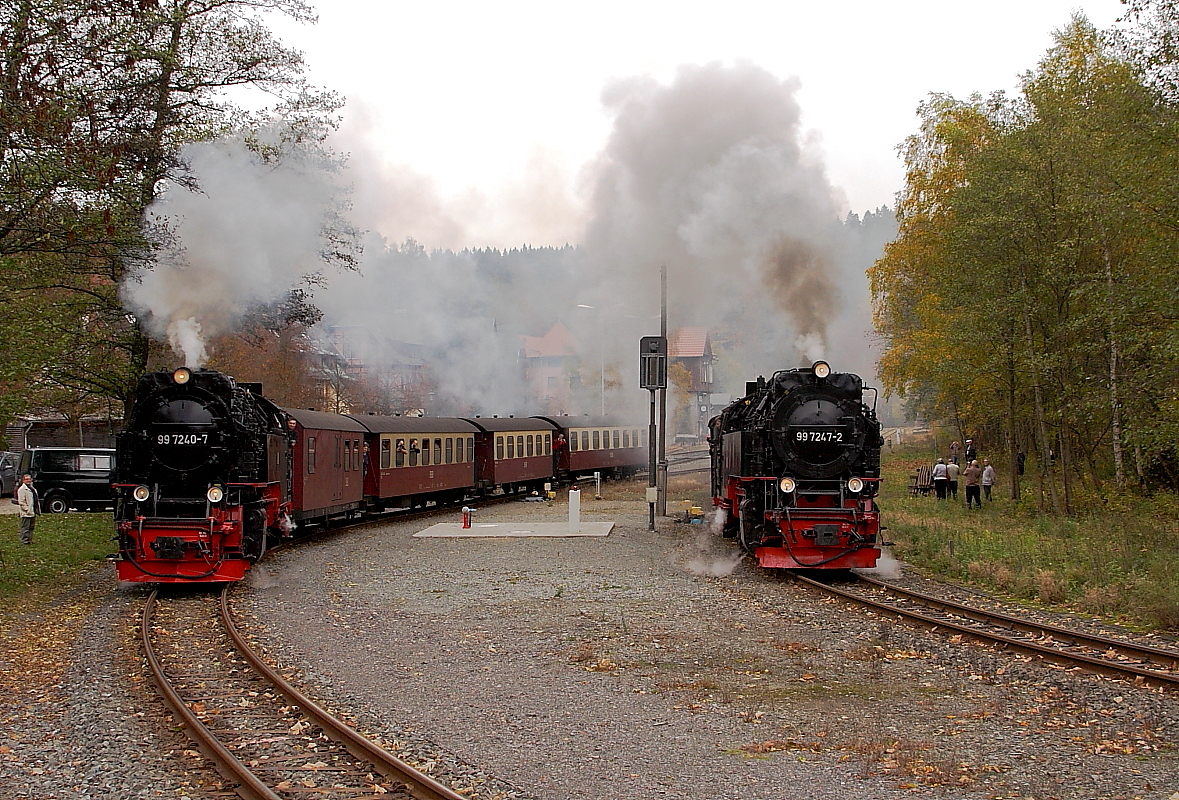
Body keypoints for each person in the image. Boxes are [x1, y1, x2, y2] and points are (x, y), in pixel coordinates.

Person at [16, 474, 38, 545]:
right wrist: (27, 509)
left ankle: (29, 540)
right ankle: (24, 541)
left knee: (31, 527)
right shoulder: (22, 490)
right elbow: (21, 502)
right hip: (26, 513)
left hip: (32, 511)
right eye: (26, 479)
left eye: (29, 479)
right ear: (23, 480)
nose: (28, 480)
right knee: (25, 527)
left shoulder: (32, 488)